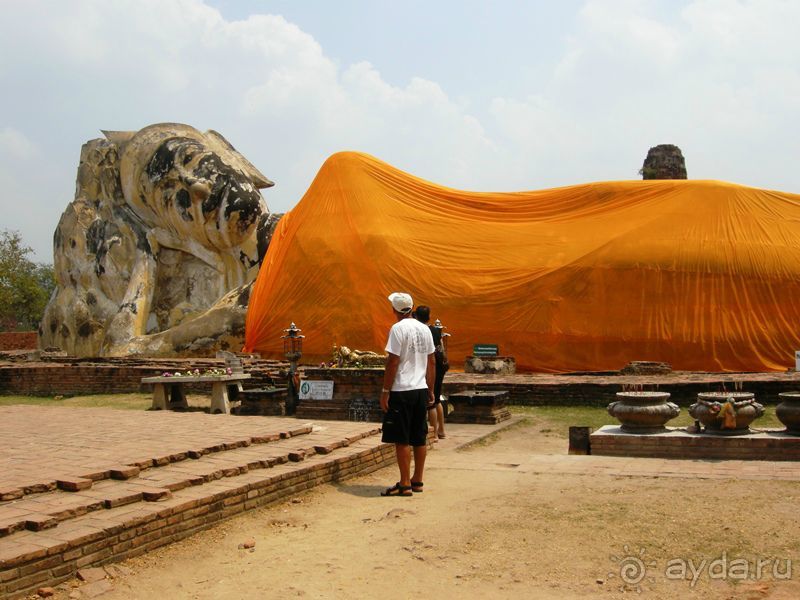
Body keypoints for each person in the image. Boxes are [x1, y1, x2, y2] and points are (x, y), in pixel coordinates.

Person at [380, 292, 435, 496]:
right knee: (419, 436)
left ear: (394, 310)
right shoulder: (424, 329)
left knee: (401, 438)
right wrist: (430, 388)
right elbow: (432, 361)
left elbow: (393, 361)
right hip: (420, 388)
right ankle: (417, 479)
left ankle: (404, 483)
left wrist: (385, 391)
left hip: (402, 389)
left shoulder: (397, 329)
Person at [413, 305, 448, 439]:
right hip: (440, 366)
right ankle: (441, 430)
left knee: (431, 402)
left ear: (416, 317)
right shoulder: (435, 330)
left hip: (429, 367)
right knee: (437, 398)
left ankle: (433, 435)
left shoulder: (421, 331)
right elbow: (441, 348)